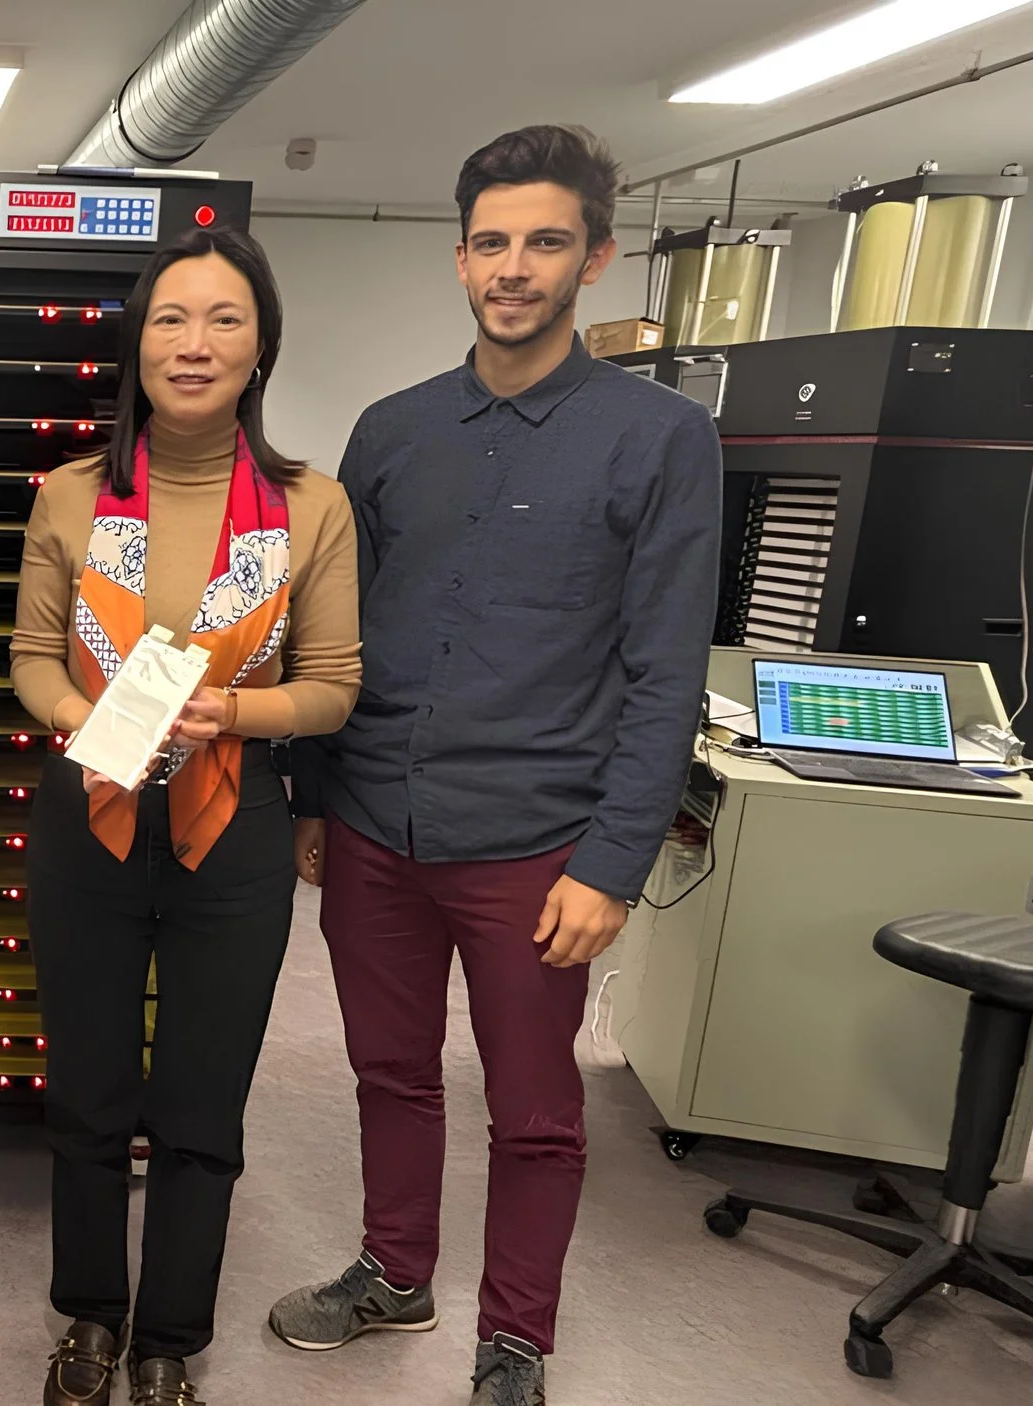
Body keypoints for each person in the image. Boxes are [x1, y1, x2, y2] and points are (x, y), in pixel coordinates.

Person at [269, 125, 719, 1406]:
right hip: (375, 822)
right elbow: (335, 633)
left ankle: (514, 1338)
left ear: (595, 257)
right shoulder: (392, 430)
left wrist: (612, 862)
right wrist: (314, 796)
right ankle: (393, 1271)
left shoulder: (659, 437)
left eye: (544, 242)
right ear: (458, 257)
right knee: (387, 1071)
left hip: (537, 843)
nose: (513, 267)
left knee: (533, 1111)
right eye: (491, 243)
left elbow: (664, 671)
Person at [18, 227, 361, 1406]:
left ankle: (168, 1336)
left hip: (236, 823)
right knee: (87, 1090)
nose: (194, 342)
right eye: (170, 317)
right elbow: (29, 656)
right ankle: (88, 1315)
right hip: (91, 810)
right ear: (137, 342)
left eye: (224, 318)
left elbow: (334, 684)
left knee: (202, 1098)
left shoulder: (310, 508)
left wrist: (235, 711)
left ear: (261, 346)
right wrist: (83, 713)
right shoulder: (73, 494)